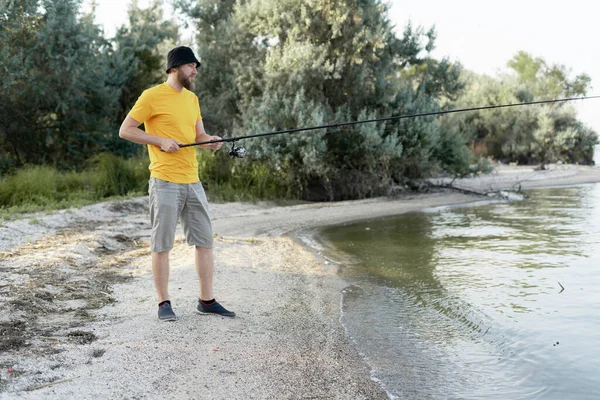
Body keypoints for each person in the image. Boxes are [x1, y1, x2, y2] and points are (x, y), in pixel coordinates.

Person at [119, 46, 235, 321]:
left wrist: (212, 142)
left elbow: (199, 135)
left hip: (192, 180)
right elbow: (126, 130)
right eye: (191, 66)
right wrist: (160, 141)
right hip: (164, 181)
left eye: (195, 66)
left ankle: (206, 301)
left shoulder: (192, 99)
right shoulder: (152, 96)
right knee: (162, 244)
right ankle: (164, 303)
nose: (195, 71)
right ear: (174, 67)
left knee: (205, 240)